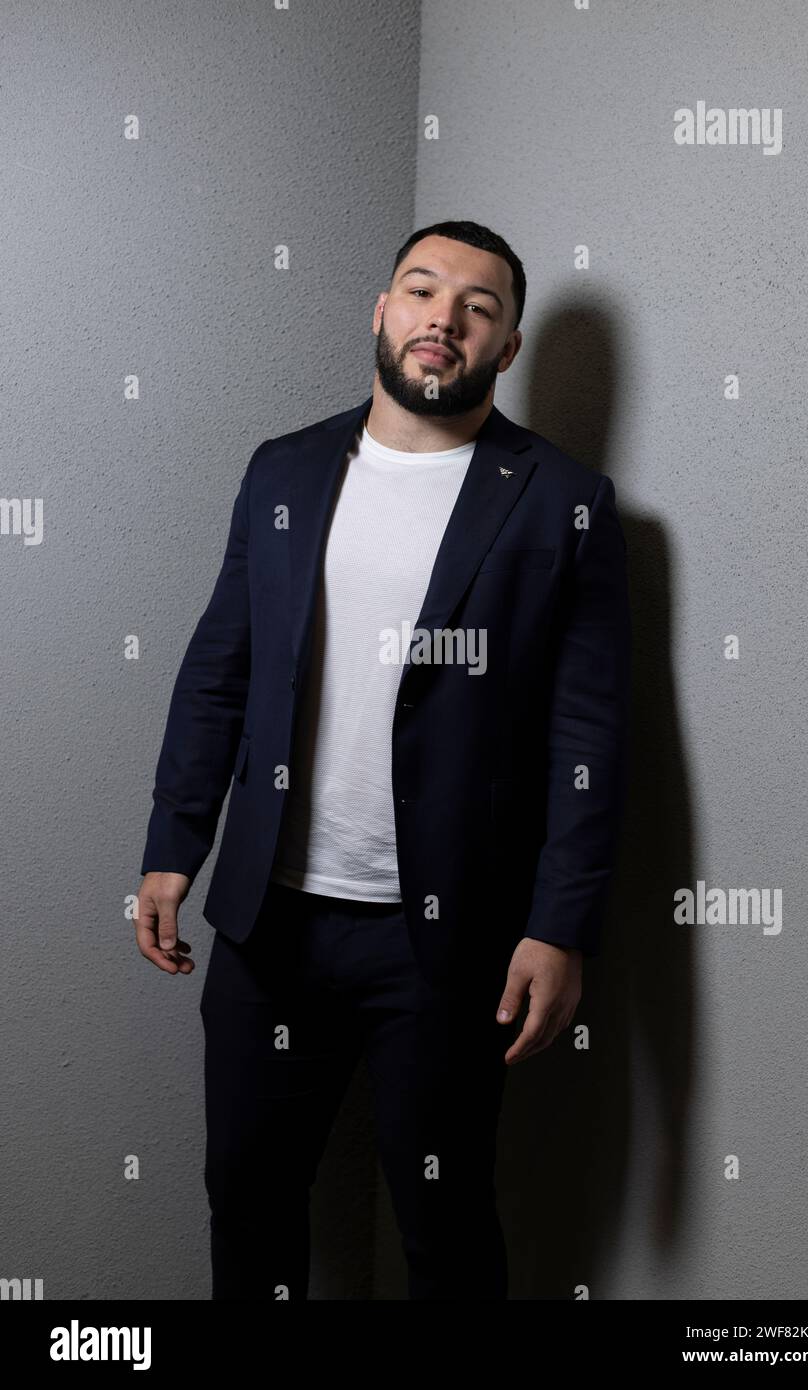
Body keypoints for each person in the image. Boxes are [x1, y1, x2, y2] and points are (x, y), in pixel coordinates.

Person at [134, 219, 632, 1300]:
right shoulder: (287, 470)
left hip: (445, 944)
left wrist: (560, 924)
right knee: (251, 1199)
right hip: (271, 923)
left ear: (504, 347)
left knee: (445, 1228)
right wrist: (177, 842)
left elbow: (591, 737)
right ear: (382, 312)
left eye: (479, 304)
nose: (442, 317)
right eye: (420, 289)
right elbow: (220, 666)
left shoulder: (564, 504)